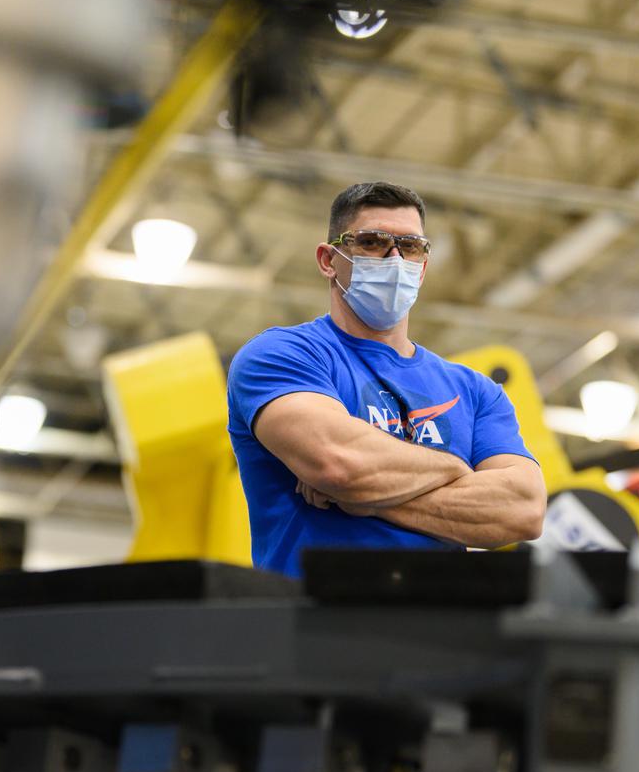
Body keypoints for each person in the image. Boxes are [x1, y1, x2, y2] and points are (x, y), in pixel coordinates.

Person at [226, 181, 546, 577]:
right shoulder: (282, 355)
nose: (394, 258)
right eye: (373, 242)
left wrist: (368, 500)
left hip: (440, 629)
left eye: (410, 247)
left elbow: (523, 510)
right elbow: (339, 465)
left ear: (423, 266)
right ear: (329, 259)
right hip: (317, 626)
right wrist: (459, 470)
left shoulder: (477, 391)